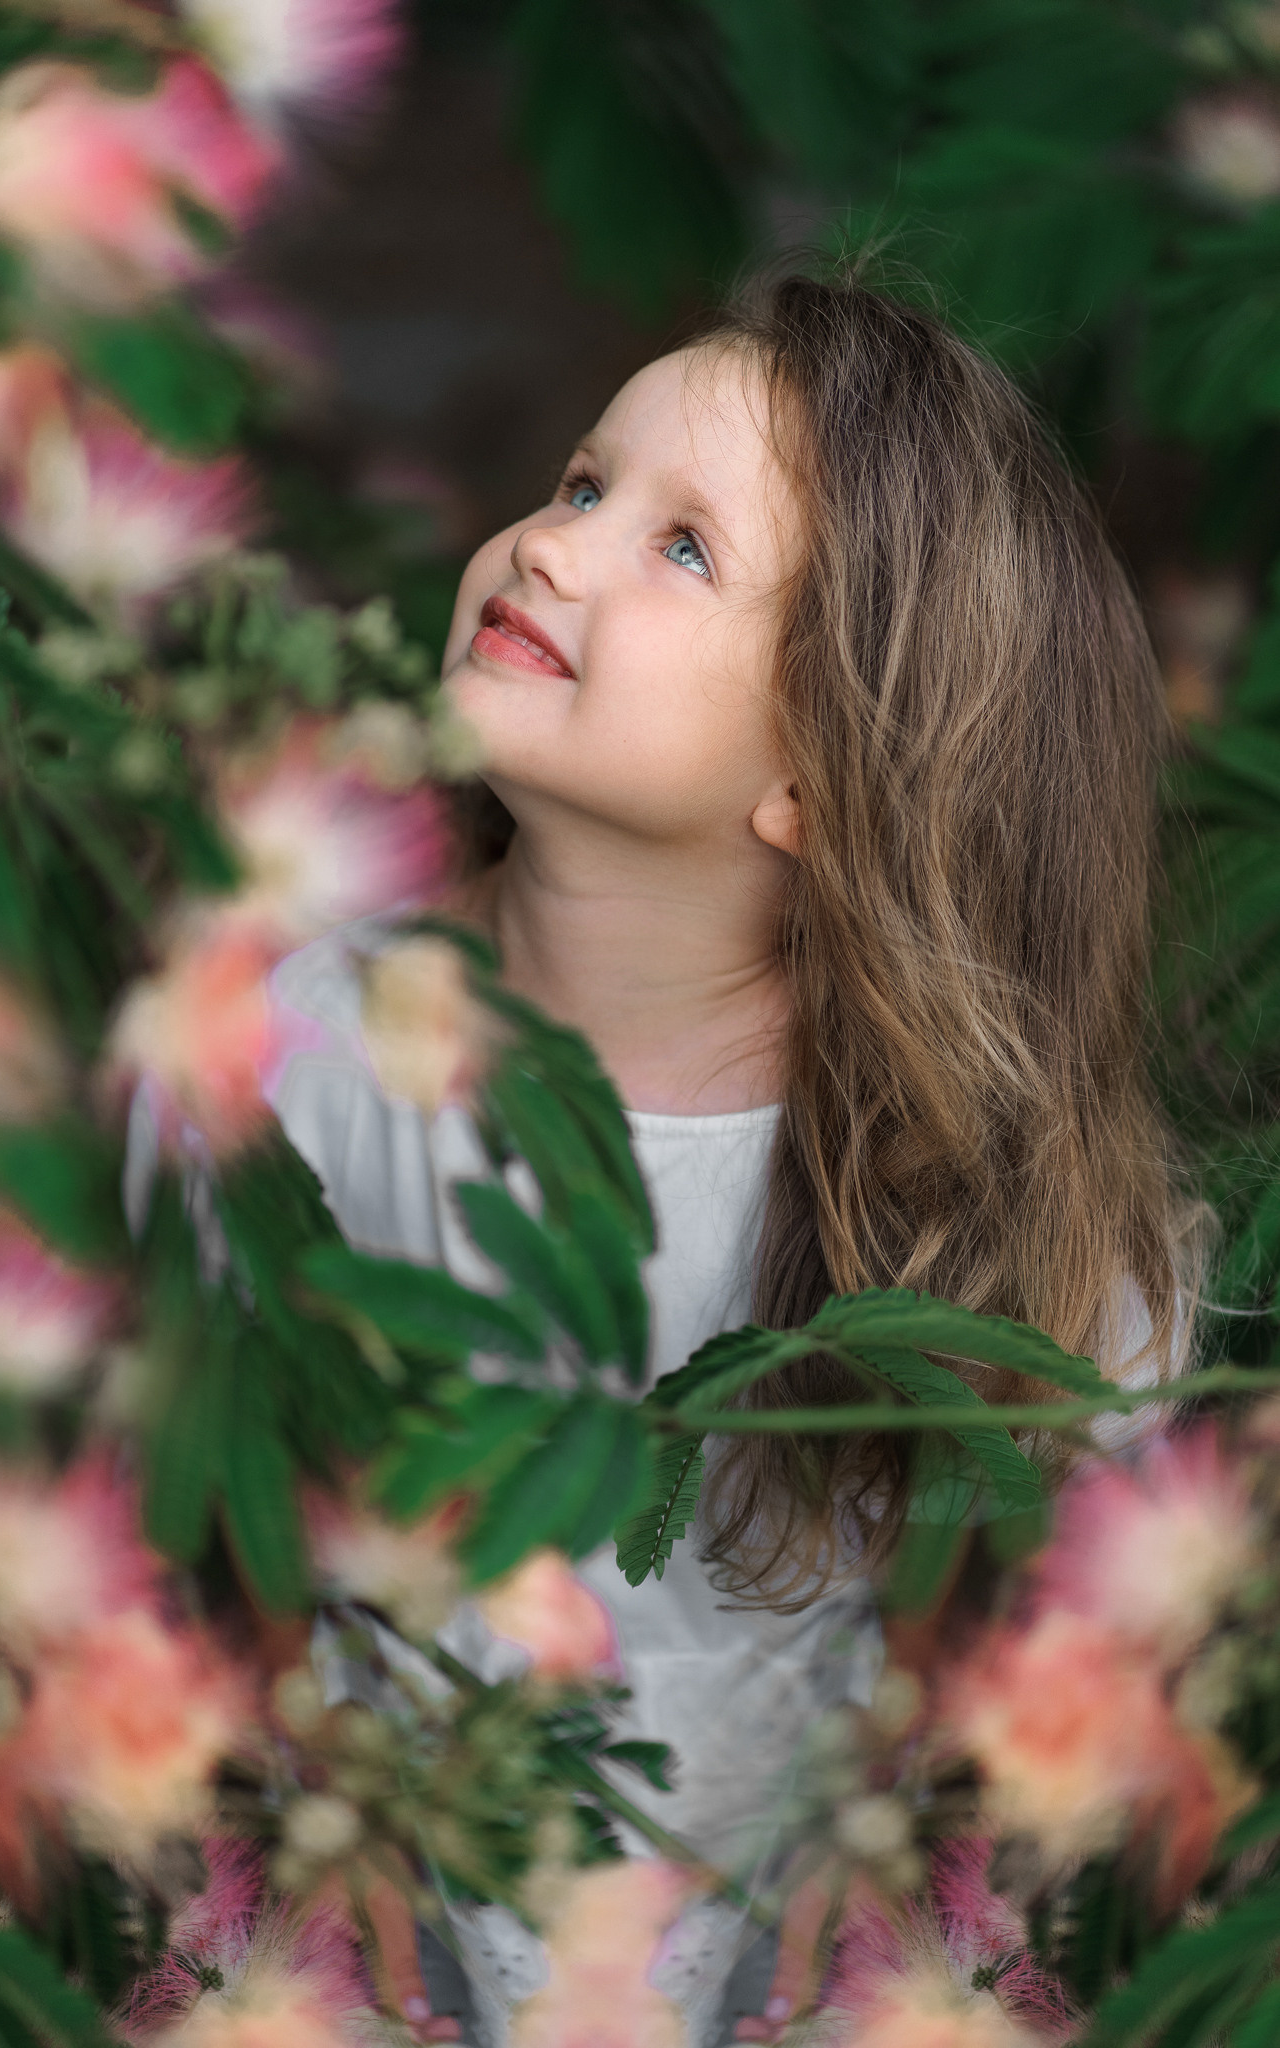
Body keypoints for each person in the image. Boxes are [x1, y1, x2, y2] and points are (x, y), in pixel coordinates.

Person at [260, 270, 1201, 2045]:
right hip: (384, 1948)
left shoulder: (956, 1199)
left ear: (828, 782)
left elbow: (1066, 1640)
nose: (552, 545)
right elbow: (194, 1511)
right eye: (580, 482)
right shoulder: (306, 1044)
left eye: (682, 548)